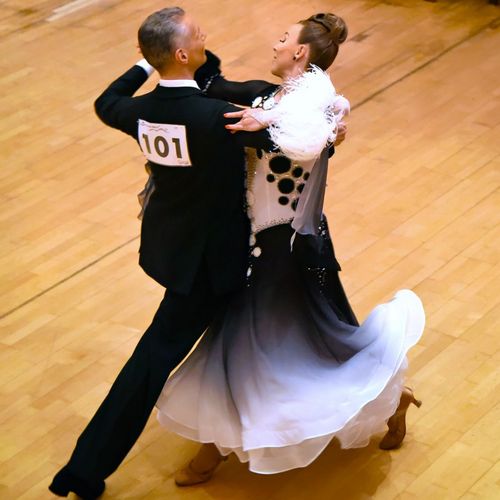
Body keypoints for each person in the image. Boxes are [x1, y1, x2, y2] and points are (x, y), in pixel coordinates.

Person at [154, 12, 425, 486]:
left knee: (240, 340)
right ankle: (390, 398)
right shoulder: (275, 96)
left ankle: (212, 448)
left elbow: (303, 140)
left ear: (300, 51)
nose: (276, 44)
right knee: (307, 342)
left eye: (283, 38)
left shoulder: (311, 110)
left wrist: (261, 123)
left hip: (281, 245)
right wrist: (189, 47)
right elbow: (217, 85)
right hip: (261, 239)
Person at [49, 7, 278, 499]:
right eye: (196, 34)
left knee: (234, 347)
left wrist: (146, 63)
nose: (205, 35)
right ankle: (84, 470)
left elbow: (106, 100)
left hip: (174, 250)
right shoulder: (218, 118)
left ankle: (225, 439)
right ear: (182, 53)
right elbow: (290, 138)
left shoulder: (137, 113)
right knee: (155, 360)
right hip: (215, 265)